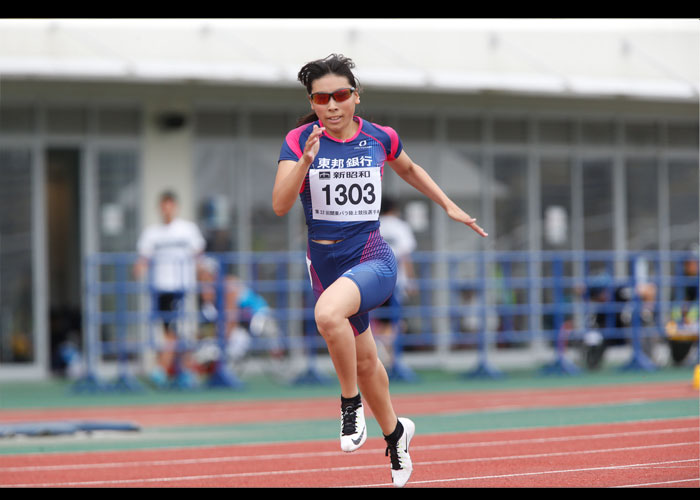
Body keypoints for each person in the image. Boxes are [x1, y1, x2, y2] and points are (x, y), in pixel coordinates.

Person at [273, 54, 487, 487]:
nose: (332, 106)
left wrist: (448, 206)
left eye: (340, 95)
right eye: (321, 98)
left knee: (328, 316)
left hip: (371, 257)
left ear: (355, 95)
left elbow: (409, 168)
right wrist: (304, 163)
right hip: (324, 263)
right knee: (367, 360)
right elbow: (279, 205)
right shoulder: (299, 140)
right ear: (311, 102)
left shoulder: (379, 136)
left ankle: (350, 406)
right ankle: (395, 435)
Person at [133, 190, 206, 388]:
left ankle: (162, 369)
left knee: (178, 330)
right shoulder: (152, 233)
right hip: (160, 287)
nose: (167, 210)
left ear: (175, 207)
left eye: (170, 205)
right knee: (168, 331)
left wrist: (205, 286)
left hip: (182, 286)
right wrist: (138, 269)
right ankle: (182, 370)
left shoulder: (187, 230)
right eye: (163, 206)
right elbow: (143, 259)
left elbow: (199, 258)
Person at [374, 196, 417, 377]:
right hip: (396, 281)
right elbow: (405, 255)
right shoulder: (400, 226)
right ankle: (384, 350)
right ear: (394, 209)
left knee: (382, 321)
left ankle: (385, 355)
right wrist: (411, 280)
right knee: (397, 322)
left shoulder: (373, 225)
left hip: (373, 279)